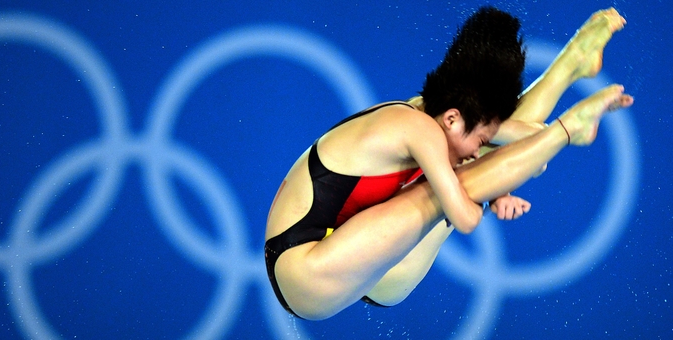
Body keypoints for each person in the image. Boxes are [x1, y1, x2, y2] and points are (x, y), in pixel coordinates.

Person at [264, 7, 634, 320]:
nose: (477, 150)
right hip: (307, 273)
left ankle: (571, 66)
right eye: (481, 138)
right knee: (453, 188)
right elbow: (466, 217)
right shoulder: (418, 129)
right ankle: (568, 127)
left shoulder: (433, 109)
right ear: (453, 118)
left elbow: (506, 136)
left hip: (364, 264)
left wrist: (502, 182)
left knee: (467, 172)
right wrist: (505, 178)